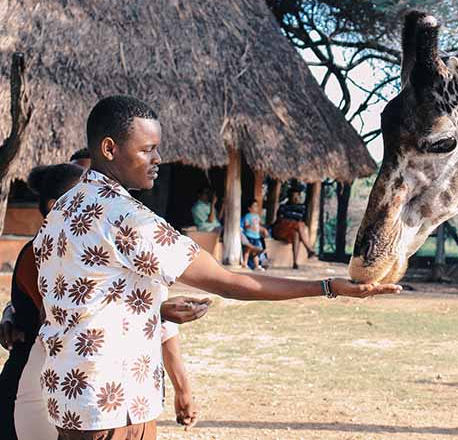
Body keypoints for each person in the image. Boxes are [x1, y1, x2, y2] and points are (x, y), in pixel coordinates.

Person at [33, 95, 400, 438]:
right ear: (110, 149)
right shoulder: (125, 217)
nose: (158, 159)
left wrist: (155, 308)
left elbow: (89, 298)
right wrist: (327, 287)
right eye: (147, 149)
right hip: (115, 401)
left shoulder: (64, 209)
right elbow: (226, 282)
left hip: (73, 393)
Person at [0, 163, 208, 440]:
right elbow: (66, 318)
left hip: (104, 394)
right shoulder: (45, 253)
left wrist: (182, 387)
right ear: (55, 206)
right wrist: (156, 310)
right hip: (40, 390)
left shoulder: (113, 245)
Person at [272, 184, 316, 269]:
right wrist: (292, 223)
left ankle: (295, 262)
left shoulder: (301, 208)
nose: (296, 198)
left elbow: (302, 222)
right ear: (289, 197)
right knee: (299, 224)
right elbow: (279, 221)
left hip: (291, 232)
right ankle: (309, 248)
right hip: (281, 230)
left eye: (297, 196)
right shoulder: (283, 207)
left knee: (296, 234)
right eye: (294, 196)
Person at [241, 200, 267, 271]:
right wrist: (251, 226)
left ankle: (256, 265)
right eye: (254, 206)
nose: (256, 208)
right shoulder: (247, 216)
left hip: (256, 236)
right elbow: (246, 225)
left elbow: (259, 225)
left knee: (255, 252)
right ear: (249, 208)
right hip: (249, 235)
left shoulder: (257, 216)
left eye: (257, 206)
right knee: (248, 250)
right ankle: (245, 263)